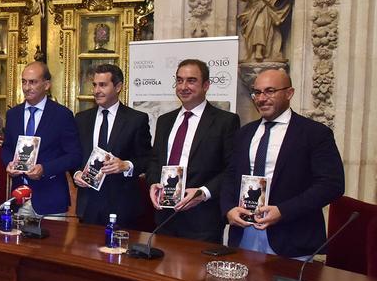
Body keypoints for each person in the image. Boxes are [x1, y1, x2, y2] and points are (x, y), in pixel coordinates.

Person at [222, 68, 343, 258]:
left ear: (289, 93)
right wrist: (228, 208)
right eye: (257, 92)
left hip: (292, 240)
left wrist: (282, 211)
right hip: (244, 237)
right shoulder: (244, 133)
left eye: (270, 91)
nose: (261, 98)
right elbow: (230, 176)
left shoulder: (315, 134)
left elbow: (331, 185)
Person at [147, 59, 240, 243]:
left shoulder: (225, 121)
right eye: (179, 80)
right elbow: (155, 161)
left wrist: (203, 192)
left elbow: (232, 168)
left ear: (206, 85)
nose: (183, 86)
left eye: (191, 80)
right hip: (164, 218)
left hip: (202, 219)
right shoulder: (165, 121)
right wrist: (153, 183)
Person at [73, 64, 151, 228]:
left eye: (103, 85)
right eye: (94, 85)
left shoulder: (136, 120)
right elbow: (74, 155)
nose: (96, 90)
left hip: (123, 205)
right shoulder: (81, 119)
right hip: (89, 205)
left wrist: (126, 165)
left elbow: (147, 159)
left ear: (118, 87)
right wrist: (76, 173)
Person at [2, 61, 82, 216]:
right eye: (24, 82)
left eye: (32, 82)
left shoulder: (62, 115)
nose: (26, 87)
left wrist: (45, 169)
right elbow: (7, 148)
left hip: (51, 199)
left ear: (47, 85)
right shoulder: (13, 114)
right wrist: (9, 163)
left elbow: (74, 156)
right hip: (19, 198)